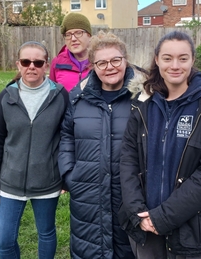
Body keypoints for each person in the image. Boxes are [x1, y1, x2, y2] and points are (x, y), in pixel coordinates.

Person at [119, 31, 201, 259]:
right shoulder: (142, 103)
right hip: (145, 225)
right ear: (157, 60)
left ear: (192, 60)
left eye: (183, 58)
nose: (175, 65)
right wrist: (137, 211)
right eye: (167, 58)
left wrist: (163, 217)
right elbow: (128, 157)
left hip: (191, 228)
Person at [58, 32, 145, 259]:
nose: (110, 67)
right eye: (102, 62)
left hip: (130, 193)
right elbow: (66, 134)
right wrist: (69, 174)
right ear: (93, 66)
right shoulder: (78, 97)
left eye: (116, 60)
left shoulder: (143, 97)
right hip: (87, 193)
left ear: (126, 60)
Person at [0, 41, 69, 259]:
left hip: (47, 181)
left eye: (38, 62)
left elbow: (68, 139)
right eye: (26, 62)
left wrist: (65, 177)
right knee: (4, 240)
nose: (31, 66)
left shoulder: (60, 96)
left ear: (46, 65)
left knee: (46, 233)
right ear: (18, 64)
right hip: (10, 181)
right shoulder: (6, 97)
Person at [50, 12, 92, 91]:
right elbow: (52, 95)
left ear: (89, 35)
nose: (73, 39)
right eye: (68, 34)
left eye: (78, 33)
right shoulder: (57, 63)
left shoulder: (100, 61)